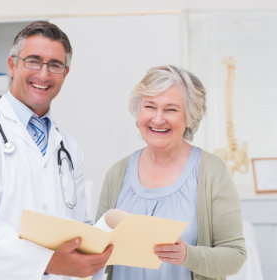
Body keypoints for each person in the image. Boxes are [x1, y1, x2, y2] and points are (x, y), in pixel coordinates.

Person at [0, 21, 112, 280]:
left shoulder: (69, 148)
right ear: (12, 65)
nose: (44, 74)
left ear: (65, 73)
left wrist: (99, 249)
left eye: (55, 65)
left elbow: (78, 224)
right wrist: (48, 262)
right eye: (33, 61)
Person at [96, 65, 246, 280]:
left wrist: (188, 255)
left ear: (190, 117)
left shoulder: (212, 171)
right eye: (150, 106)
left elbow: (235, 255)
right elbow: (97, 249)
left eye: (171, 109)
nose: (158, 119)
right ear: (138, 111)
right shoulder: (117, 173)